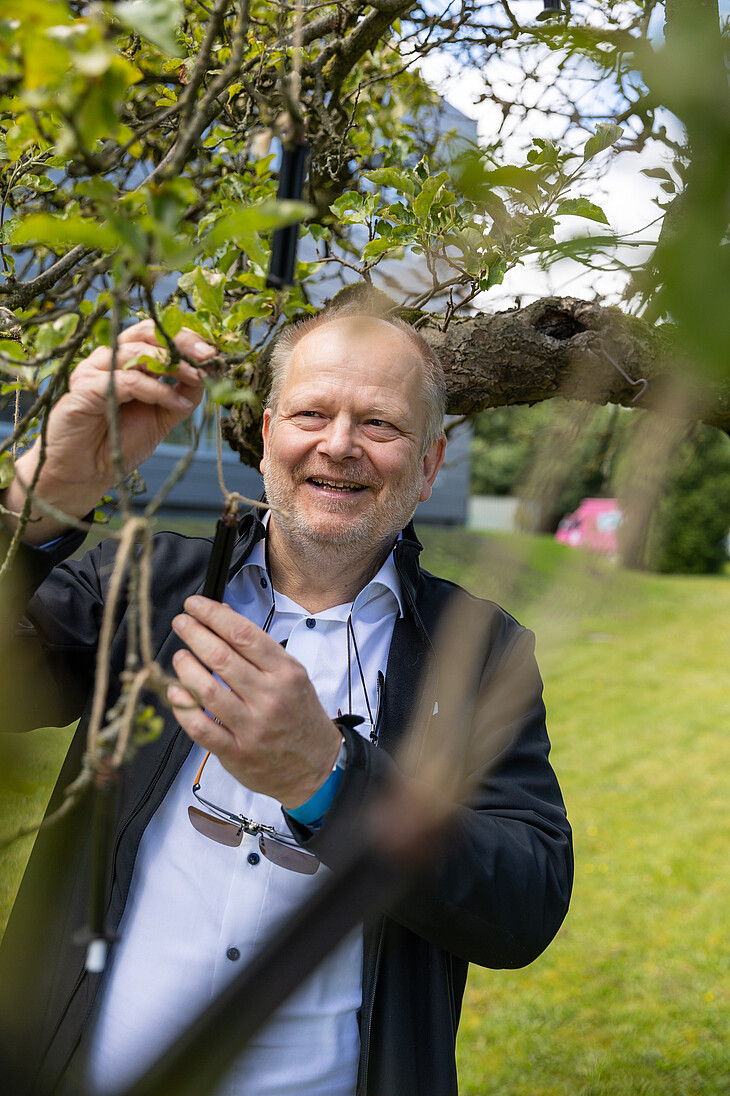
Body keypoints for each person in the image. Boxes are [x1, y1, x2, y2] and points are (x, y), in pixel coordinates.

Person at [0, 308, 573, 1096]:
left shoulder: (478, 652)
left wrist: (330, 778)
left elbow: (524, 904)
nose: (339, 445)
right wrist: (31, 506)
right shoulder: (141, 584)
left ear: (432, 462)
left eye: (380, 423)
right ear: (267, 434)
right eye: (312, 413)